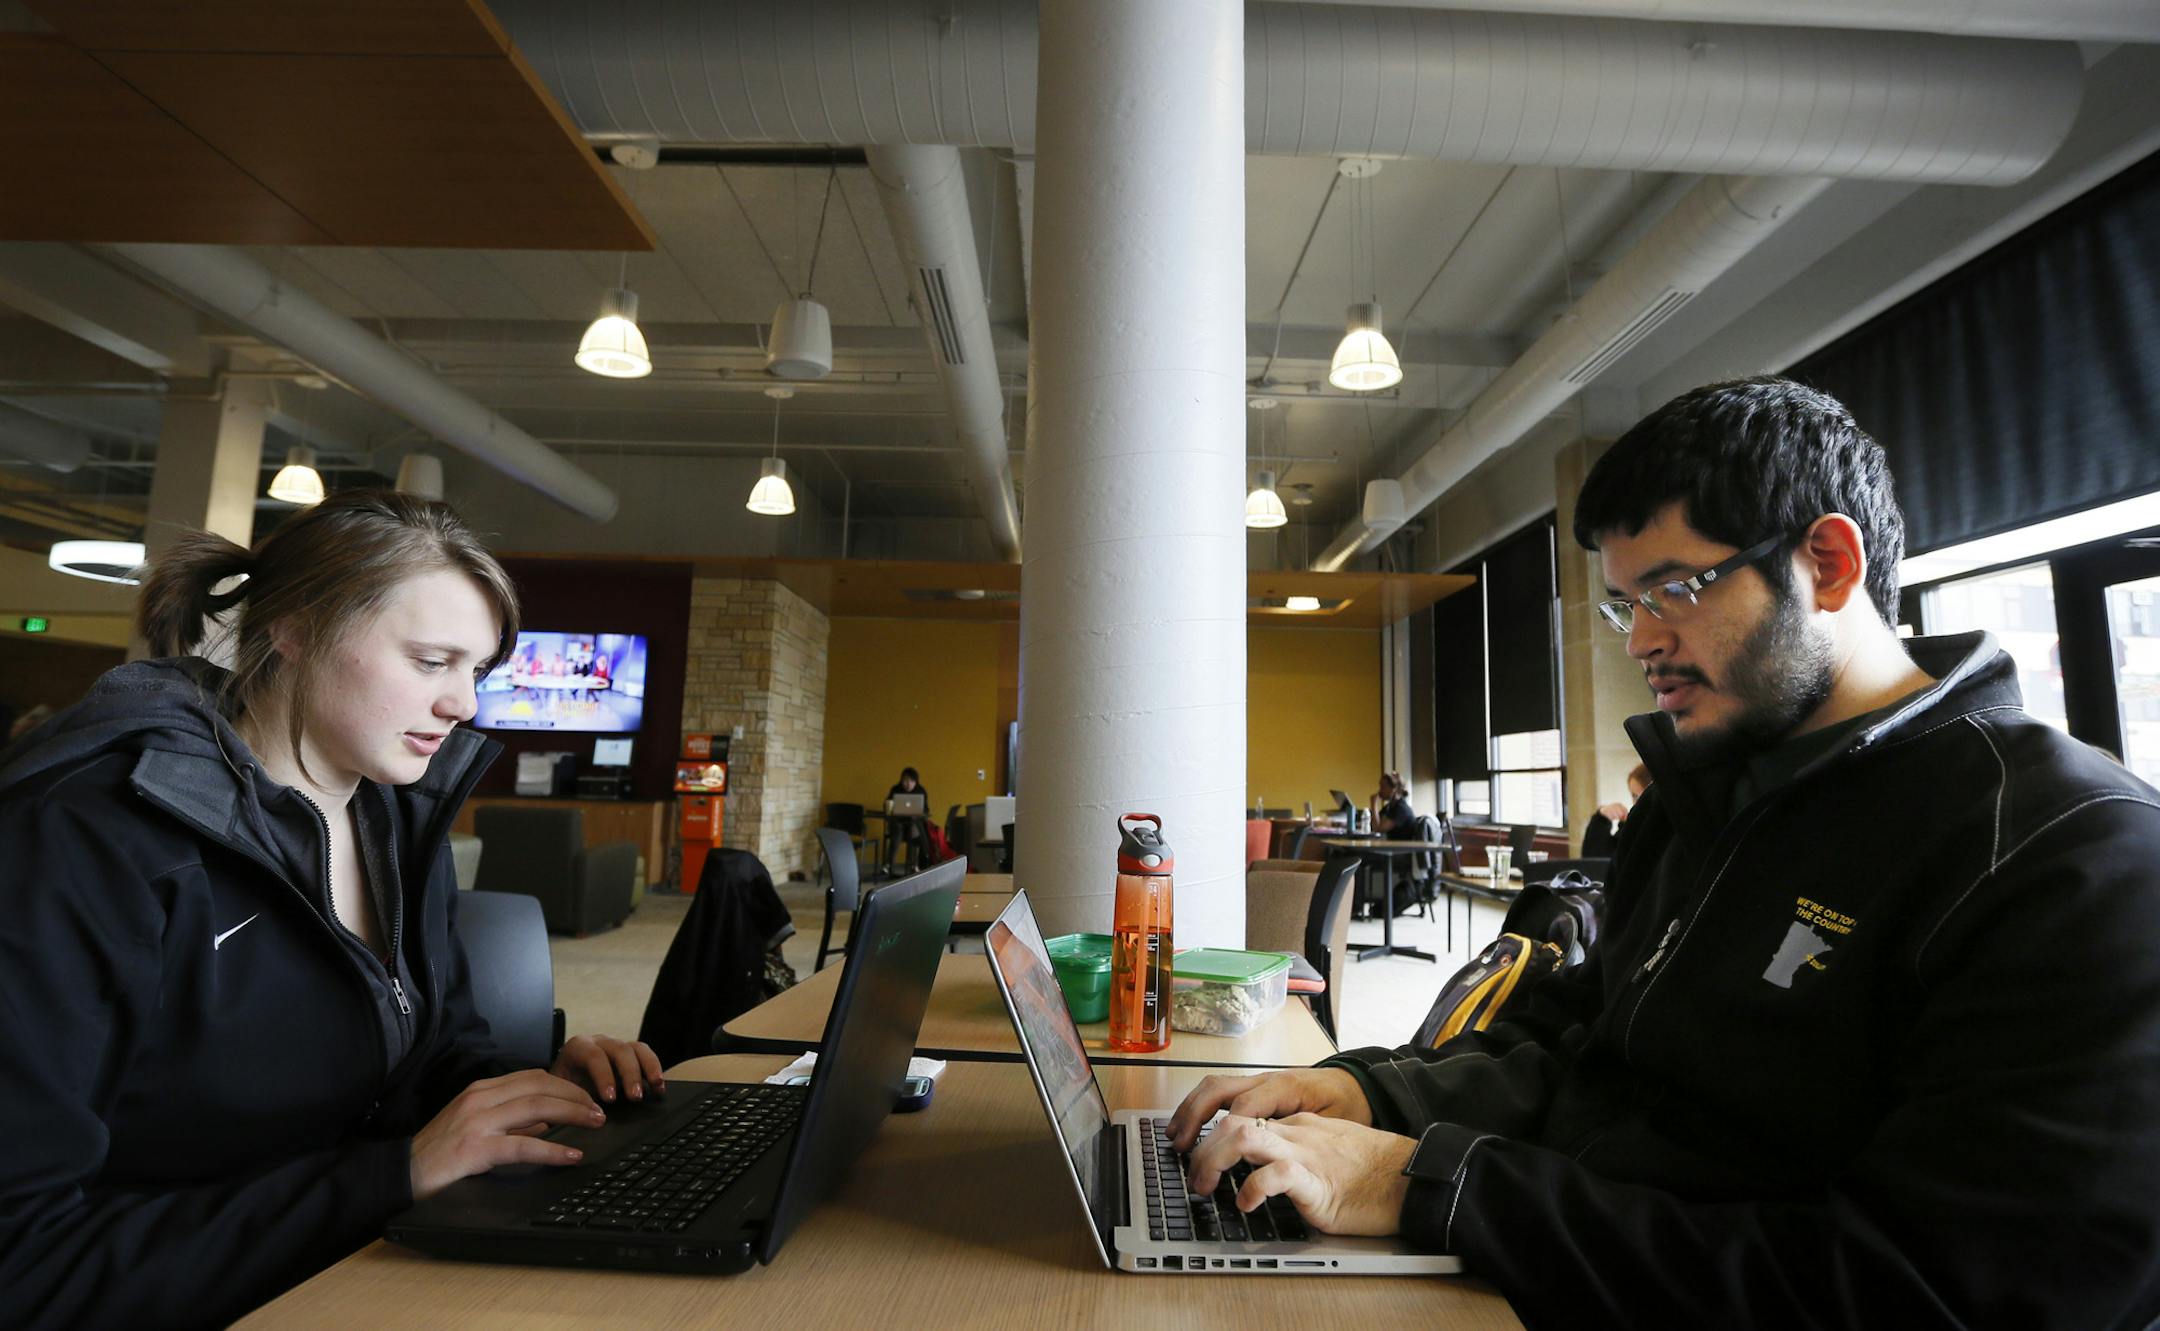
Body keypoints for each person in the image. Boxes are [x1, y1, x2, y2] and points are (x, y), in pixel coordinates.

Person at [1166, 377, 2160, 1327]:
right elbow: (1589, 1045)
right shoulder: (1705, 799)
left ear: (1828, 563)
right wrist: (1371, 1089)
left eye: (1674, 588)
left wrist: (1430, 1185)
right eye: (1623, 603)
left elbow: (1930, 1296)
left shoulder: (2071, 856)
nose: (1639, 641)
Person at [0, 491, 666, 1330]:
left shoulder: (385, 813)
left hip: (354, 1266)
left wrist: (519, 1091)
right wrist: (390, 1178)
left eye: (478, 670)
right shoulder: (82, 839)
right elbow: (23, 1261)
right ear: (295, 628)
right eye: (432, 661)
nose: (466, 704)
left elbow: (426, 1053)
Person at [1579, 761, 1648, 858]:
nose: (1637, 803)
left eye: (1644, 795)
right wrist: (1602, 819)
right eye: (1635, 796)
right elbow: (1595, 861)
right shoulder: (1633, 824)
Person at [885, 766, 931, 871]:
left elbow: (926, 810)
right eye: (905, 780)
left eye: (911, 781)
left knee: (913, 828)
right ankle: (888, 865)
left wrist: (919, 813)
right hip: (898, 823)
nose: (908, 783)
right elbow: (887, 805)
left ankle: (912, 864)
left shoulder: (921, 791)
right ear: (901, 780)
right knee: (897, 830)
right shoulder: (895, 789)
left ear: (916, 781)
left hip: (913, 825)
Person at [1369, 771, 1414, 835]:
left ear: (1394, 789)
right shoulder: (1389, 807)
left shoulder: (1401, 809)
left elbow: (1378, 829)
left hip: (1401, 844)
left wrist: (1374, 804)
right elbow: (1373, 824)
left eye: (1383, 787)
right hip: (1391, 844)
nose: (1379, 791)